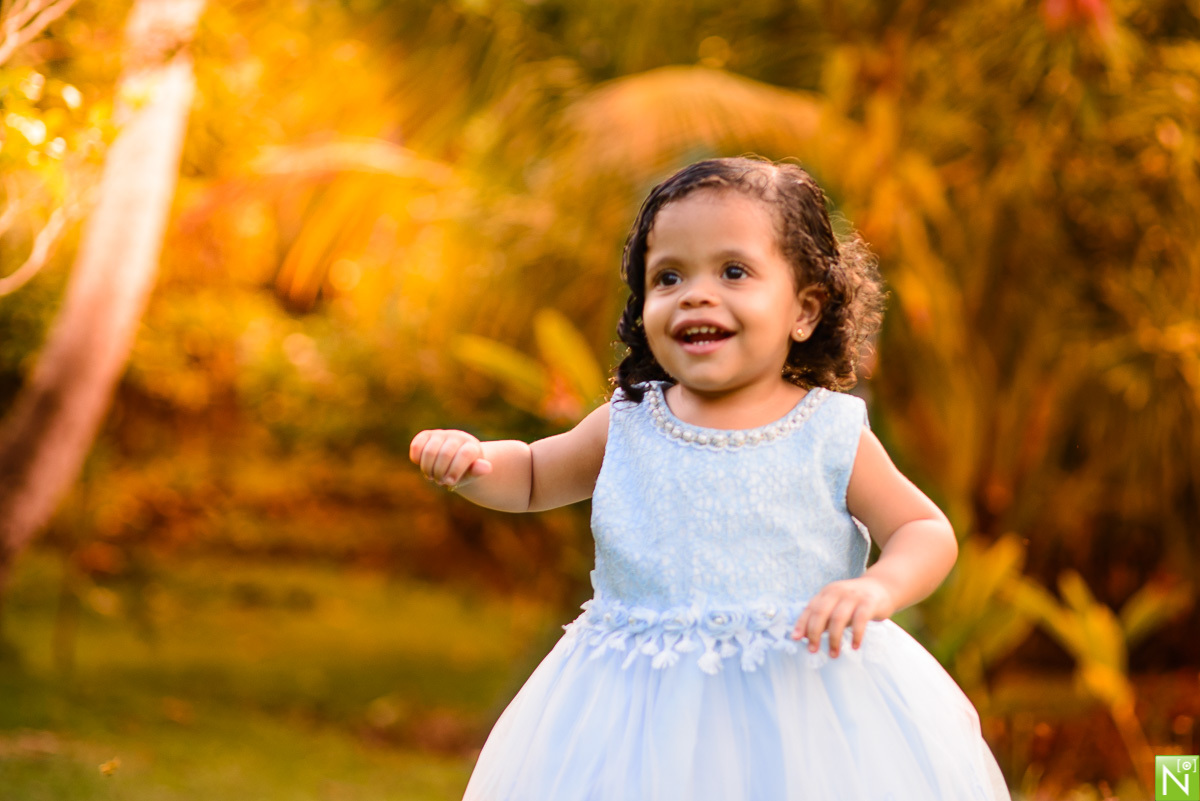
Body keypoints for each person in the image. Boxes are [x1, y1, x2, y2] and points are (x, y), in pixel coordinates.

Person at [409, 156, 1012, 800]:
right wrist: (474, 461)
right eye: (669, 276)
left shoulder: (828, 432)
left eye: (733, 271)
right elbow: (530, 476)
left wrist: (876, 590)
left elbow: (923, 528)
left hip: (804, 709)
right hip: (636, 714)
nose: (696, 293)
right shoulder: (628, 423)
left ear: (803, 310)